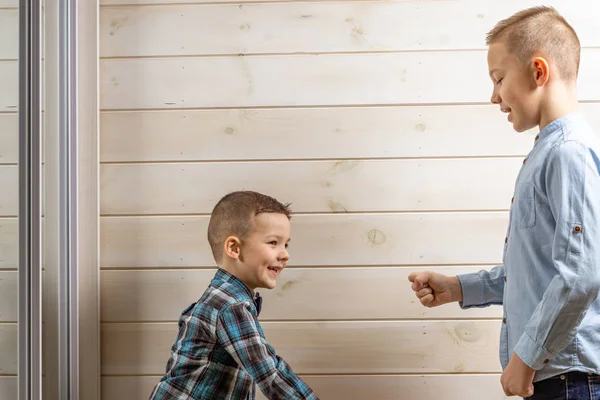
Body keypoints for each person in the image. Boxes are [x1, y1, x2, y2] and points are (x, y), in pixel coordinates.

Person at [408, 6, 600, 399]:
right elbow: (539, 272)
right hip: (558, 377)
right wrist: (458, 288)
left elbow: (581, 275)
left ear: (539, 72)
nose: (493, 96)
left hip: (569, 379)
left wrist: (525, 359)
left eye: (498, 79)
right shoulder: (549, 153)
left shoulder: (568, 154)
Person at [149, 190, 319, 399]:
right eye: (273, 242)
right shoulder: (230, 306)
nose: (285, 254)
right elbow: (270, 374)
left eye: (286, 244)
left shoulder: (225, 299)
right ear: (234, 248)